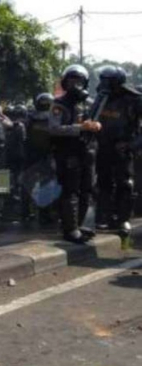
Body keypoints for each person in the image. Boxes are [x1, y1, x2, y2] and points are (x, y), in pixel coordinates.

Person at [49, 64, 102, 243]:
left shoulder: (89, 103)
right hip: (68, 152)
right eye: (71, 80)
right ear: (65, 82)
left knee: (87, 189)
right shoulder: (59, 104)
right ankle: (70, 229)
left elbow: (96, 122)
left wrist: (97, 125)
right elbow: (54, 129)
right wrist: (80, 128)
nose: (75, 85)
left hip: (87, 151)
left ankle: (79, 225)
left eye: (79, 81)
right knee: (70, 190)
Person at [93, 65, 142, 237]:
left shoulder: (134, 99)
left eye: (109, 82)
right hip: (103, 146)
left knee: (125, 183)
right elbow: (92, 118)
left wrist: (132, 145)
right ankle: (103, 217)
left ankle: (123, 219)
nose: (105, 85)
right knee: (103, 182)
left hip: (123, 147)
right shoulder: (101, 96)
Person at [23, 93, 56, 224]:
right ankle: (44, 214)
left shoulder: (29, 117)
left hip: (31, 155)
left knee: (27, 185)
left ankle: (25, 212)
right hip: (46, 156)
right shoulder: (53, 118)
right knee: (46, 185)